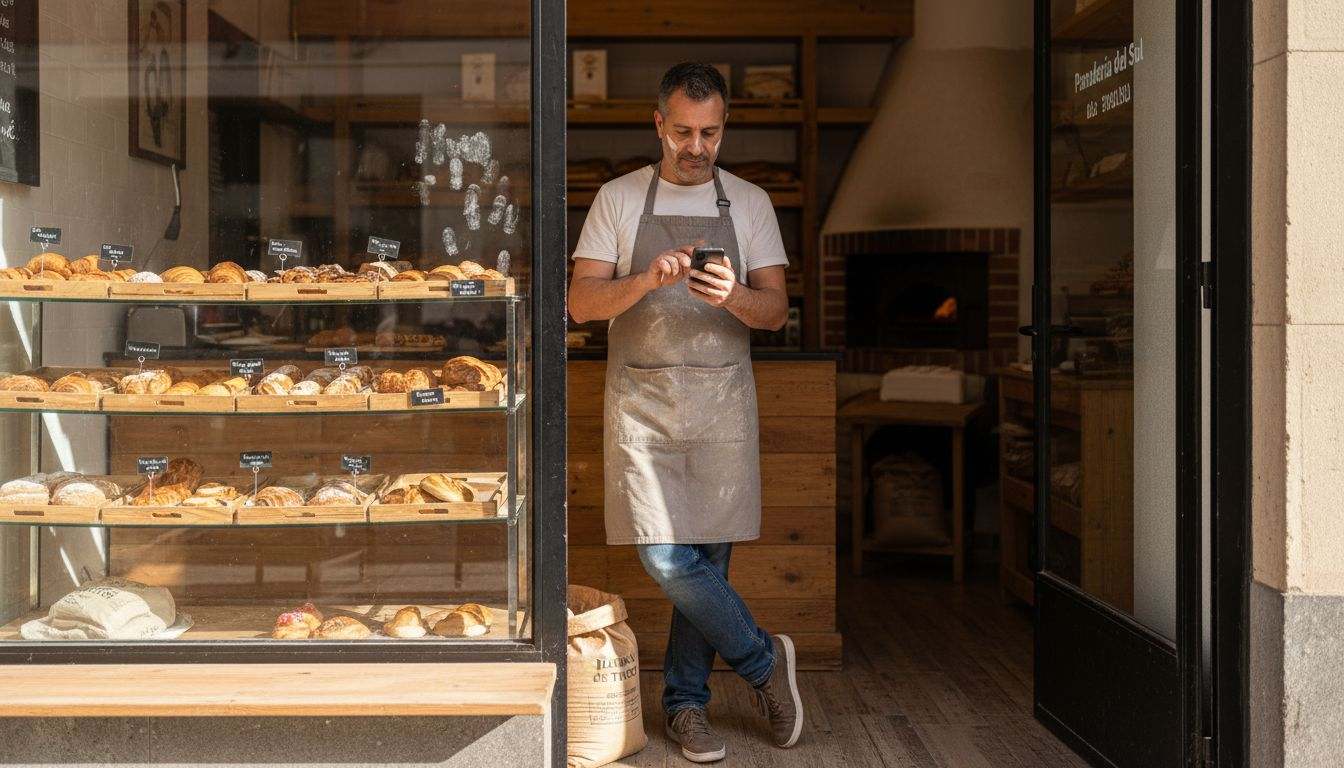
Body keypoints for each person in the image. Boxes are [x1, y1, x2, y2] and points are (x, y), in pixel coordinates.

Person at [568, 62, 803, 763]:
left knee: (708, 560)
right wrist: (644, 279)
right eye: (681, 132)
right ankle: (765, 663)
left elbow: (776, 312)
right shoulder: (617, 199)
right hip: (641, 405)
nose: (695, 147)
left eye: (709, 133)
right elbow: (581, 304)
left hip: (721, 404)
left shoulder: (752, 204)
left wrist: (731, 295)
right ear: (657, 124)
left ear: (723, 128)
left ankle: (685, 706)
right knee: (665, 554)